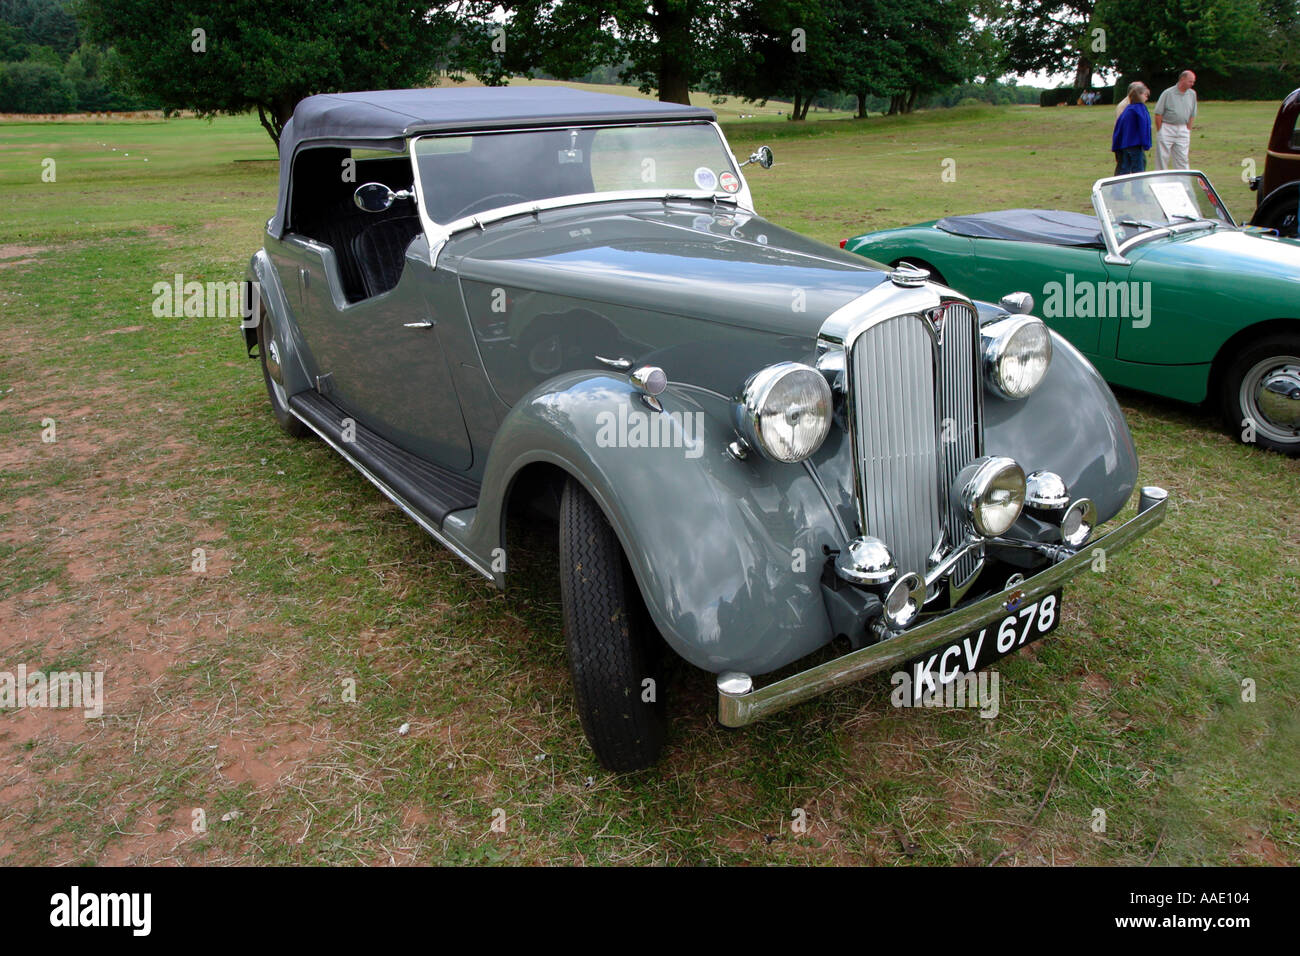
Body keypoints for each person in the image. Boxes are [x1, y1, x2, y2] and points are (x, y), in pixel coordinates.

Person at [1153, 71, 1197, 169]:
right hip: (1167, 127)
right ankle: (1160, 181)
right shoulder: (1168, 93)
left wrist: (1188, 129)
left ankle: (1183, 181)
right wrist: (1160, 130)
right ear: (1182, 79)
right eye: (1190, 81)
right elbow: (1158, 113)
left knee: (1182, 158)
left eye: (1193, 82)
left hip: (1183, 128)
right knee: (1162, 157)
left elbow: (1192, 113)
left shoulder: (1192, 94)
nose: (1192, 84)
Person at [1112, 82, 1152, 175]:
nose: (1147, 98)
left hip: (1125, 144)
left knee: (1124, 169)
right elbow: (1144, 127)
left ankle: (1118, 188)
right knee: (1138, 170)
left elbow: (1119, 127)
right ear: (1140, 95)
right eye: (1146, 95)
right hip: (1136, 144)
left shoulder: (1128, 109)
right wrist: (1146, 144)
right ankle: (1137, 189)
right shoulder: (1140, 109)